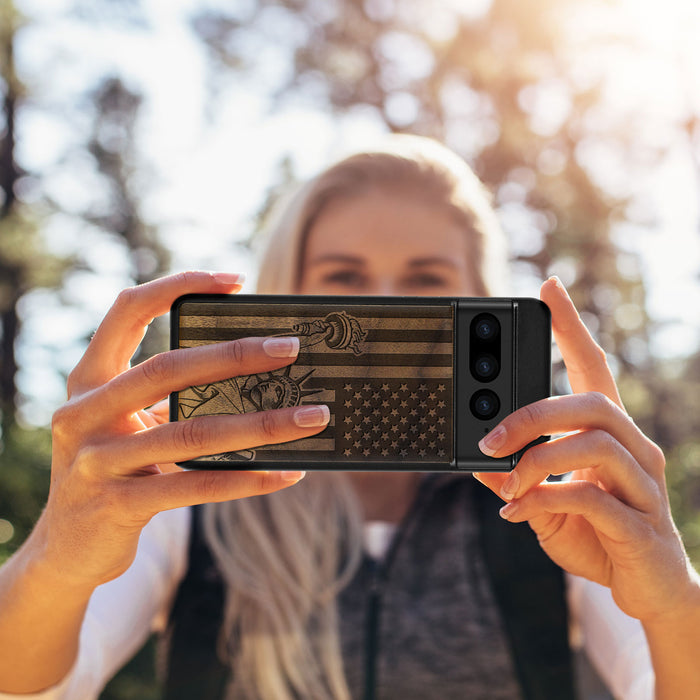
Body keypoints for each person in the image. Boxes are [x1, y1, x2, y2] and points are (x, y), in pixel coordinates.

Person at [0, 135, 699, 700]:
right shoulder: (187, 494)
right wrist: (57, 559)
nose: (386, 308)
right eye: (344, 278)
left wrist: (674, 604)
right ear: (283, 297)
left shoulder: (551, 497)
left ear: (482, 302)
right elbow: (38, 685)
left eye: (427, 280)